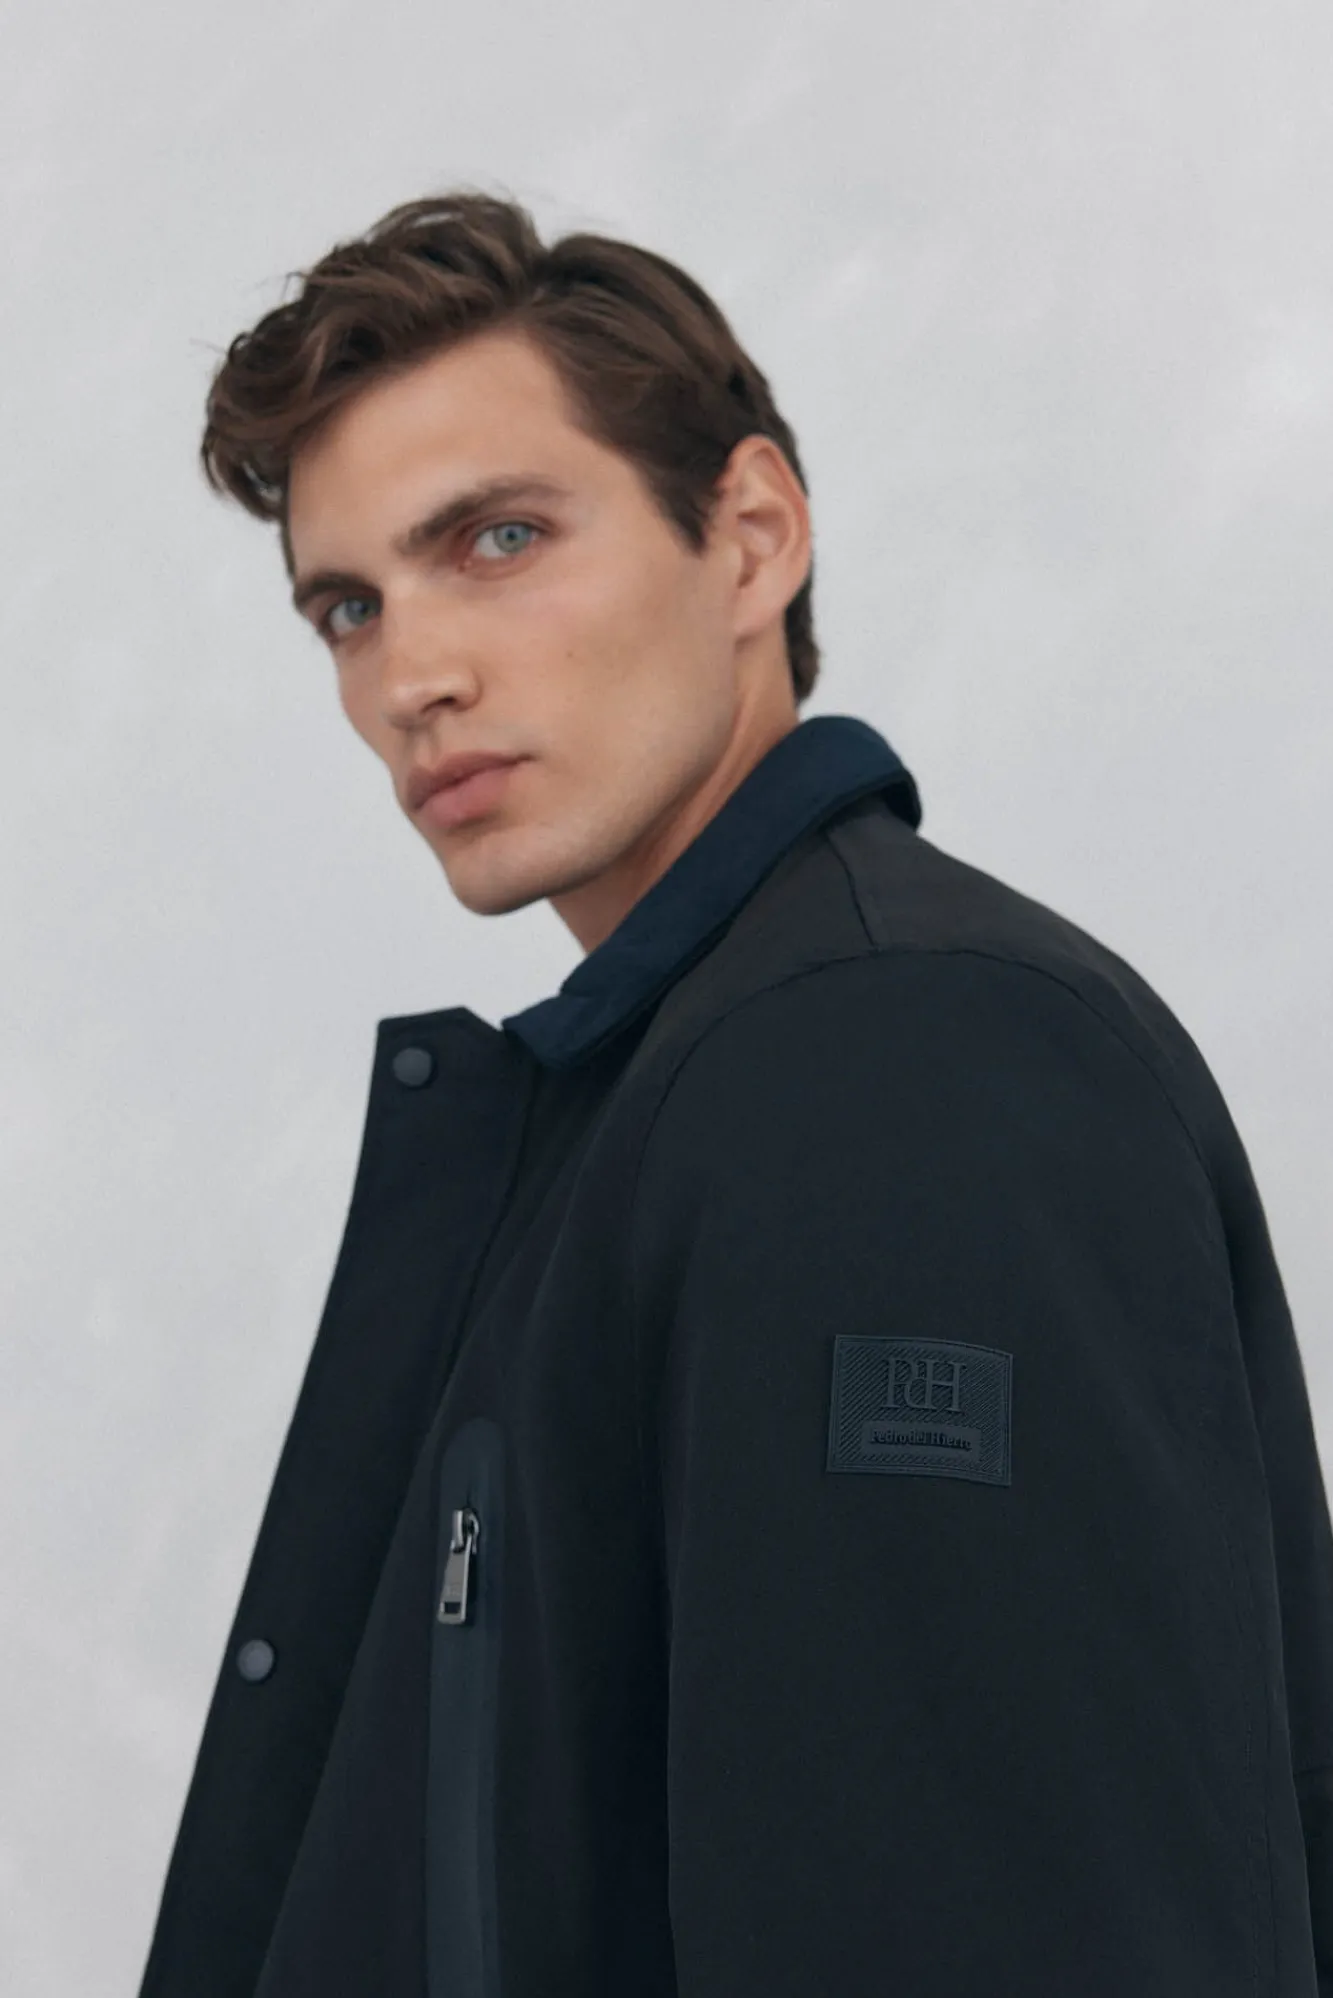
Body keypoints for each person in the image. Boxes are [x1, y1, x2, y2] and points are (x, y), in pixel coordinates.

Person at [137, 188, 1333, 1997]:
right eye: (351, 607)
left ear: (753, 538)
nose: (411, 677)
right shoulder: (664, 1093)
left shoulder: (898, 1062)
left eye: (501, 538)